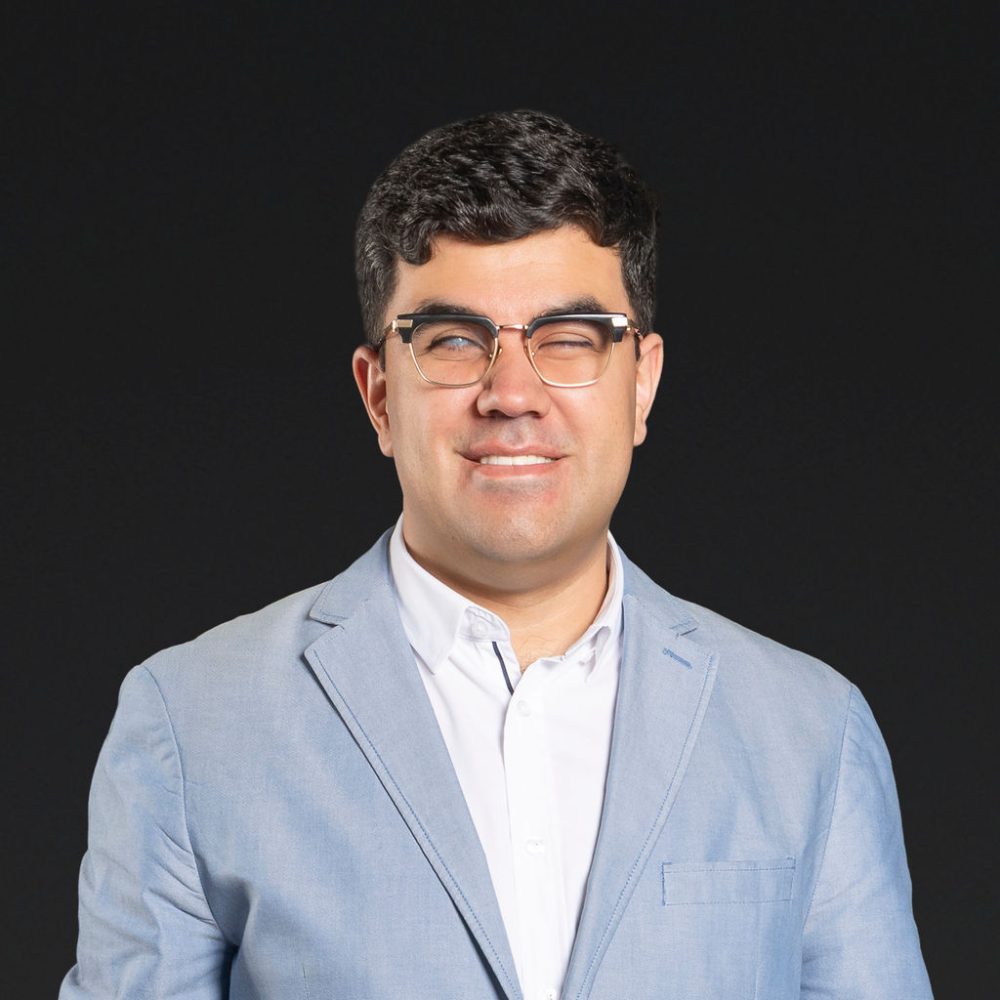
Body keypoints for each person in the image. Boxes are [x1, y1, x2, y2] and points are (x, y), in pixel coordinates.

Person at [61, 110, 932, 1000]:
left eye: (568, 338)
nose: (512, 394)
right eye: (451, 341)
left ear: (643, 384)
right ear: (378, 397)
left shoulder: (810, 733)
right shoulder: (192, 724)